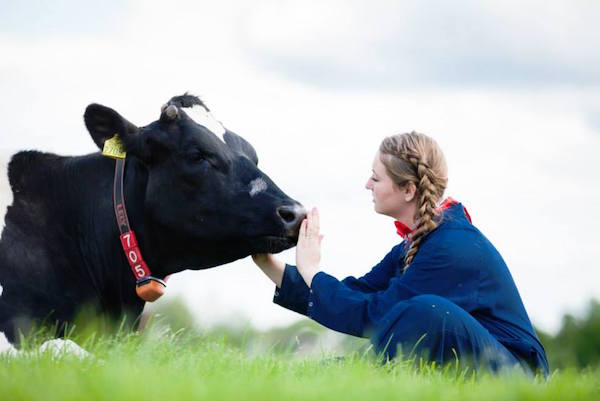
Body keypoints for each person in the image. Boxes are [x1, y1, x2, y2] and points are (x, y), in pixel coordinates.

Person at [252, 132, 549, 376]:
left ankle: (352, 372)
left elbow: (377, 315)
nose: (367, 185)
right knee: (410, 317)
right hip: (475, 364)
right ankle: (338, 374)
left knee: (424, 311)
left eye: (375, 178)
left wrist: (312, 272)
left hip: (517, 374)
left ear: (408, 190)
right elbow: (357, 294)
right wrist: (268, 264)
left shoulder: (452, 248)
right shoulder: (418, 242)